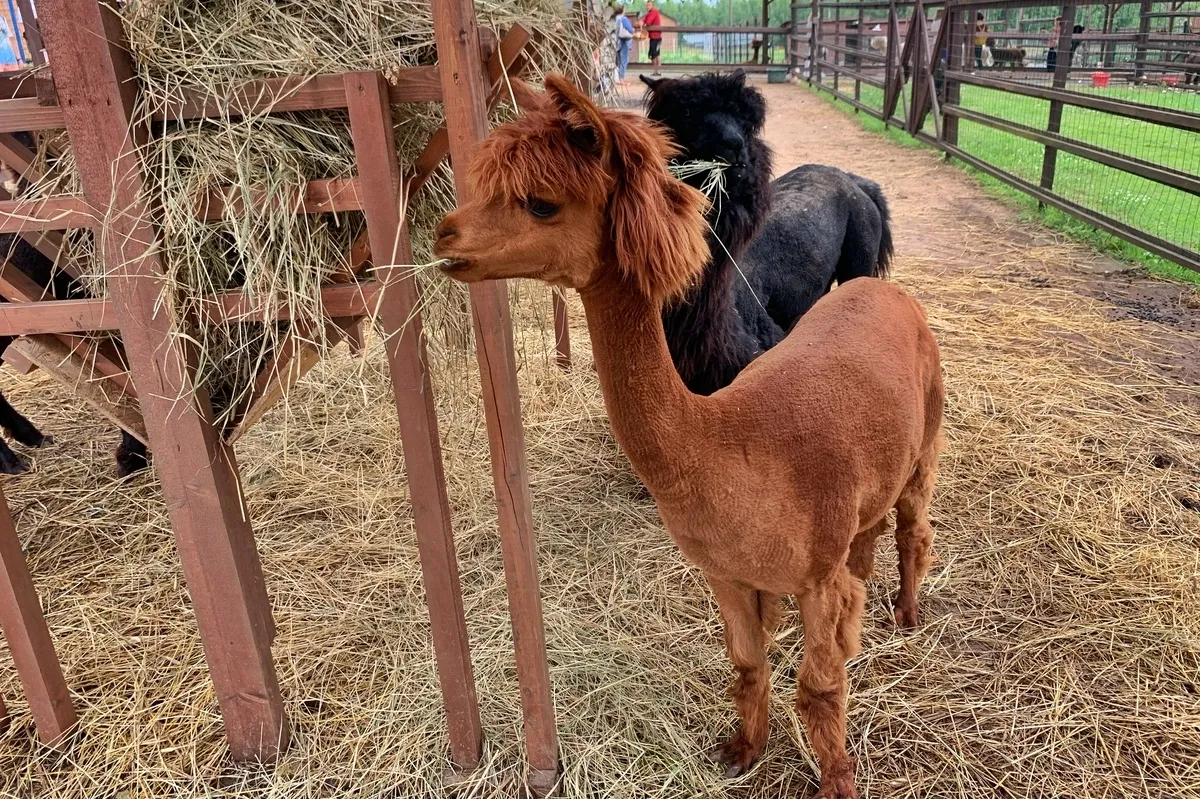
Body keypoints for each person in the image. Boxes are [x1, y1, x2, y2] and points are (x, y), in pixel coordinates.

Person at [640, 1, 663, 76]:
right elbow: (643, 21)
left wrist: (643, 23)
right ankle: (657, 70)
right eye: (646, 5)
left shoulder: (654, 12)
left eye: (649, 5)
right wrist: (641, 22)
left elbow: (648, 22)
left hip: (656, 37)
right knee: (656, 54)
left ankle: (657, 70)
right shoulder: (649, 13)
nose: (647, 7)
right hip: (654, 37)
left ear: (652, 6)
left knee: (653, 54)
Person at [615, 6, 634, 85]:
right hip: (624, 41)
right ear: (623, 11)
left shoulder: (614, 19)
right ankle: (621, 79)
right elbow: (630, 29)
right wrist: (633, 31)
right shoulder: (624, 19)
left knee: (618, 61)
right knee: (624, 61)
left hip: (616, 41)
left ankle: (618, 78)